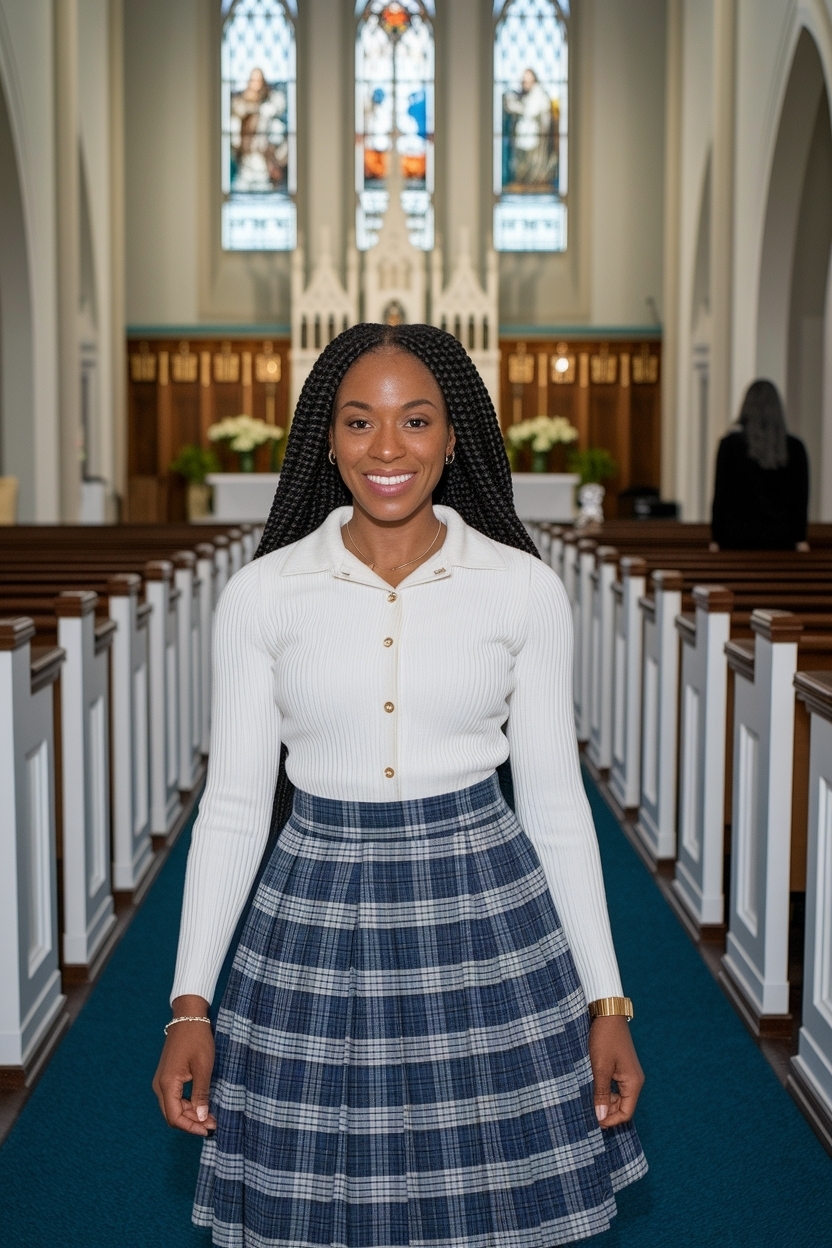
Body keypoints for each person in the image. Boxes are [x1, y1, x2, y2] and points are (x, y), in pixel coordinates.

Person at [153, 323, 647, 1247]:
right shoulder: (263, 595)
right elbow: (231, 809)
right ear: (325, 440)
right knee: (321, 1202)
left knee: (490, 1208)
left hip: (485, 912)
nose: (388, 449)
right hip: (313, 913)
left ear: (454, 436)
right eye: (359, 422)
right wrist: (189, 1004)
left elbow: (553, 804)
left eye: (415, 421)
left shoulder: (522, 589)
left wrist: (607, 1002)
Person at [711, 379, 809, 551]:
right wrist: (799, 536)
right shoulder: (795, 448)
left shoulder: (730, 445)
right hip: (781, 540)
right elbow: (800, 499)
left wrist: (716, 537)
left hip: (737, 540)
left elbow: (721, 496)